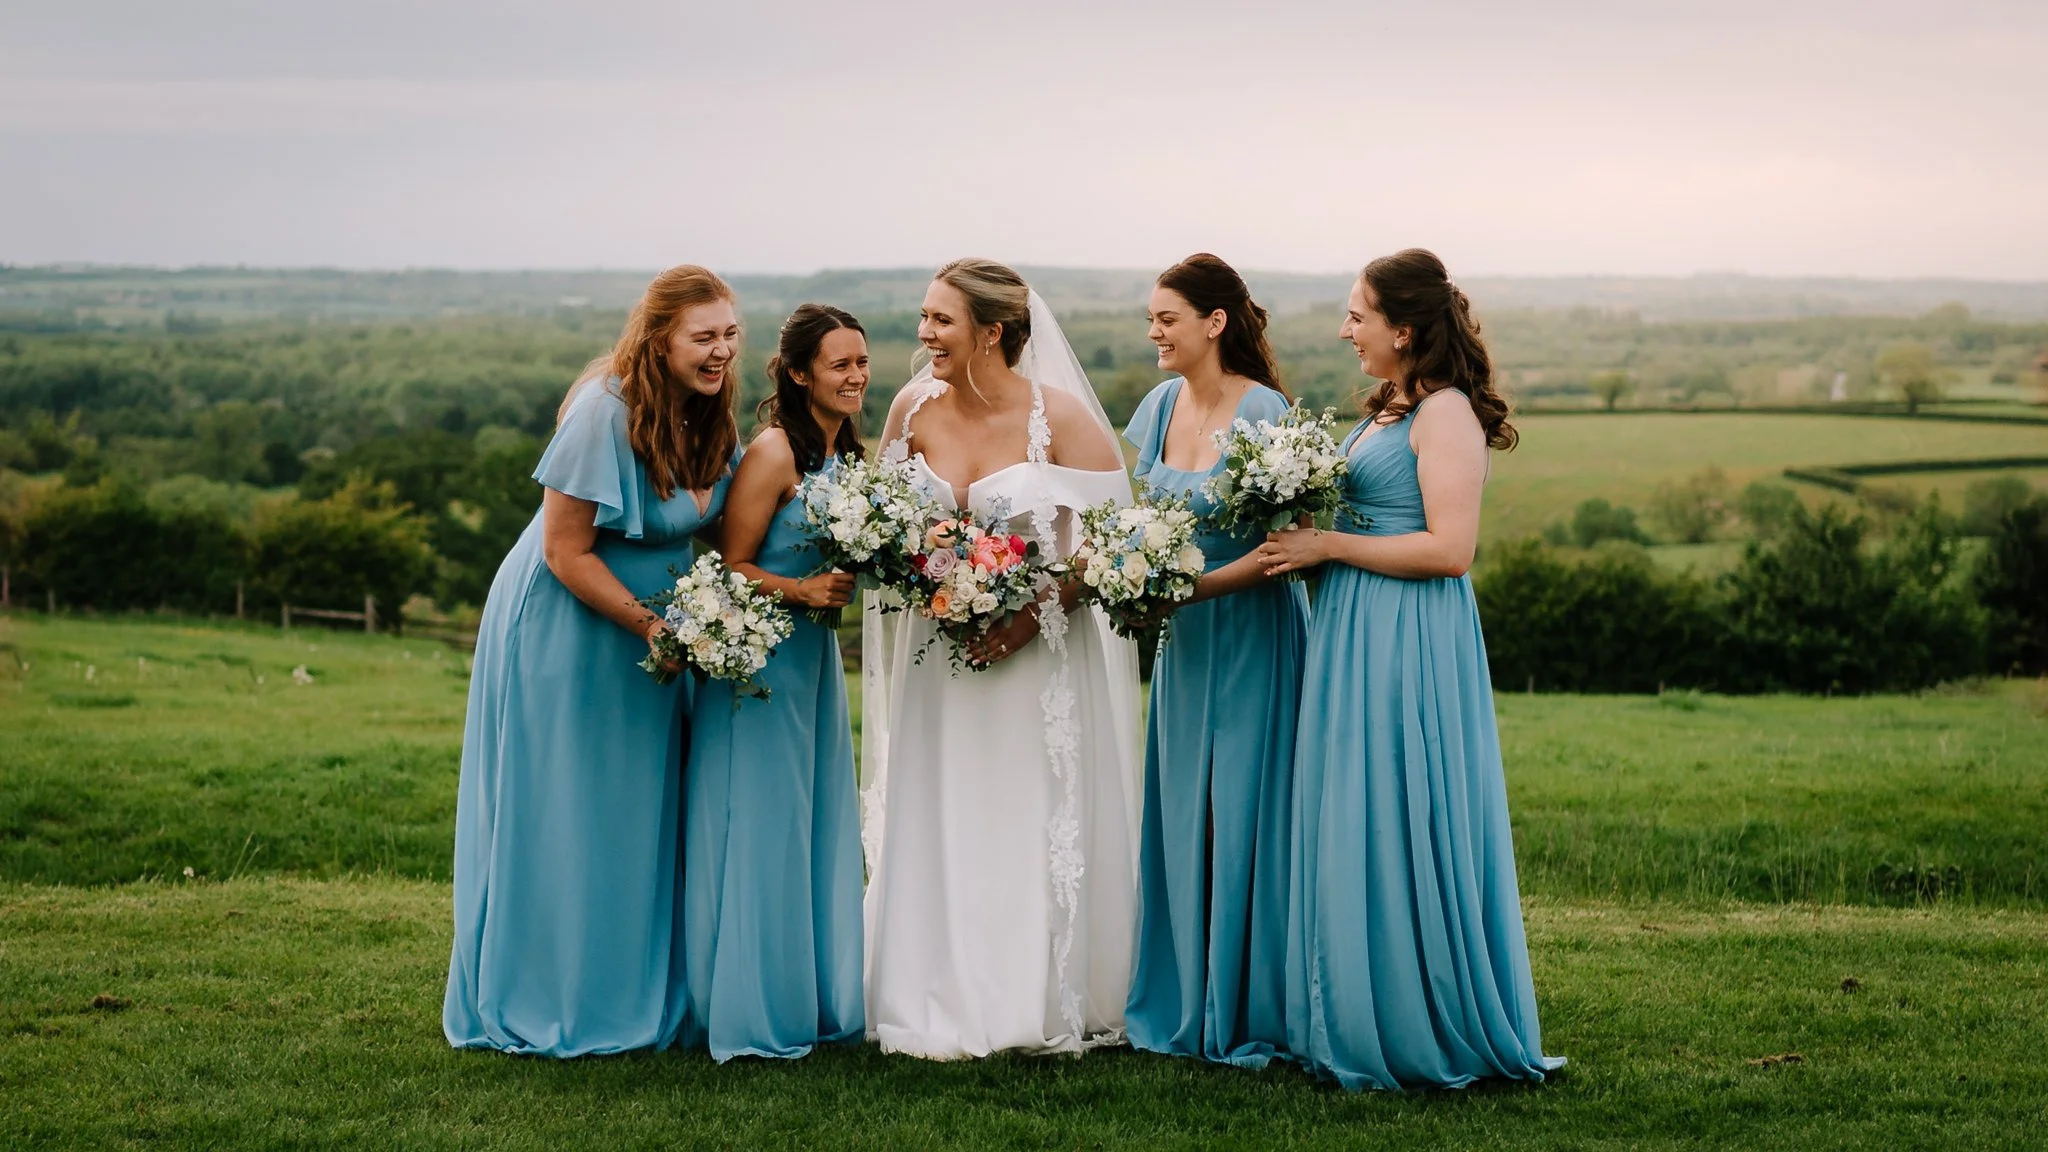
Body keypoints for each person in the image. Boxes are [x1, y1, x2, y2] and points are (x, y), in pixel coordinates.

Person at [1253, 248, 1563, 1090]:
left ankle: (1418, 1020)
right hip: (1355, 621)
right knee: (1353, 808)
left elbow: (1450, 550)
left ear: (1405, 328)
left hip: (1408, 634)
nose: (1345, 330)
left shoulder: (1446, 414)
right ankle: (1352, 1009)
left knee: (1397, 804)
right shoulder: (1391, 406)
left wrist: (1327, 544)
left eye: (1359, 316)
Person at [443, 265, 742, 1057]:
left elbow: (726, 523)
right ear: (660, 337)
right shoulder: (604, 410)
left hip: (656, 634)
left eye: (730, 334)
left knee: (635, 810)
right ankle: (554, 994)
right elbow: (565, 551)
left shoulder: (710, 414)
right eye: (703, 337)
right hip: (569, 629)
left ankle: (629, 987)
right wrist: (655, 628)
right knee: (568, 808)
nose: (721, 351)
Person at [860, 258, 1143, 1058]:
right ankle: (929, 982)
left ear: (991, 332)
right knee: (942, 801)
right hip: (936, 656)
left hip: (1033, 655)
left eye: (940, 320)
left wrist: (1027, 615)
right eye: (924, 315)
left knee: (1023, 809)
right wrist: (926, 580)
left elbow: (1112, 547)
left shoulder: (1062, 419)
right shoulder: (911, 408)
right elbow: (883, 524)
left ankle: (1031, 990)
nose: (924, 333)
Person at [1122, 254, 1307, 1068]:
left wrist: (1185, 589)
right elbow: (1145, 524)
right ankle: (1184, 995)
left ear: (1215, 322)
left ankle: (1248, 1002)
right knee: (1182, 808)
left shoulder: (1264, 409)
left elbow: (1286, 548)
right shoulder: (1160, 404)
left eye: (1167, 319)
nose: (1155, 333)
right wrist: (1132, 576)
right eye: (1151, 320)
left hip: (1253, 633)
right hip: (1186, 643)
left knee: (1244, 810)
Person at [679, 304, 869, 1061]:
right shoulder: (774, 451)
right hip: (760, 664)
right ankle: (748, 1007)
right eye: (839, 365)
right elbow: (730, 565)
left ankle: (807, 994)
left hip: (813, 665)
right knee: (761, 824)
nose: (855, 376)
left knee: (806, 821)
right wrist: (802, 590)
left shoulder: (842, 449)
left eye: (861, 362)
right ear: (797, 373)